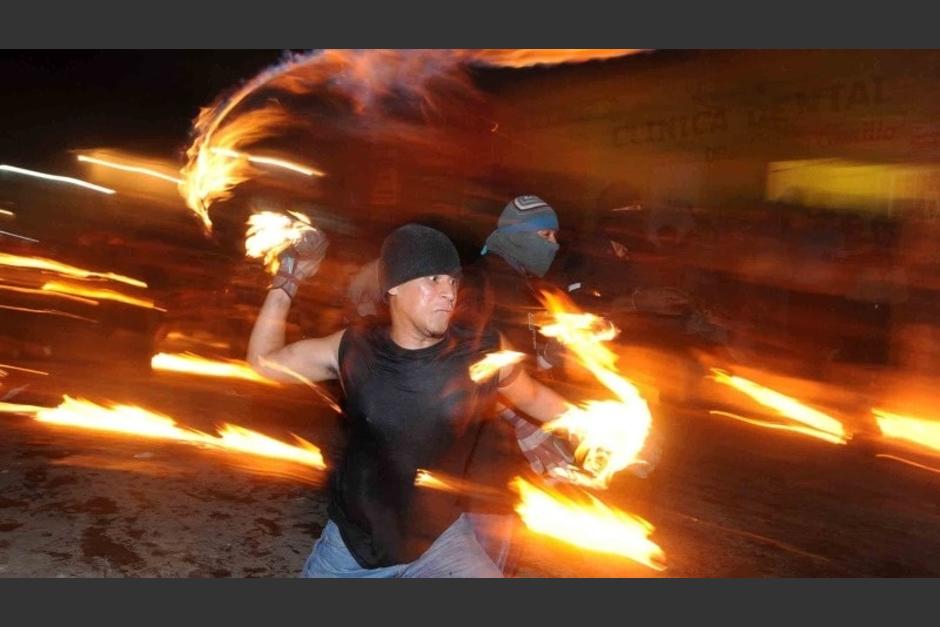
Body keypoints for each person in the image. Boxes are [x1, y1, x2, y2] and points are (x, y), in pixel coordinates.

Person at [248, 223, 574, 578]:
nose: (448, 292)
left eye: (452, 281)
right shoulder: (356, 348)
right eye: (433, 279)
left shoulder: (481, 350)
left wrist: (599, 428)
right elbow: (264, 363)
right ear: (394, 288)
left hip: (440, 543)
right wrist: (287, 282)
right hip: (356, 553)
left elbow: (534, 397)